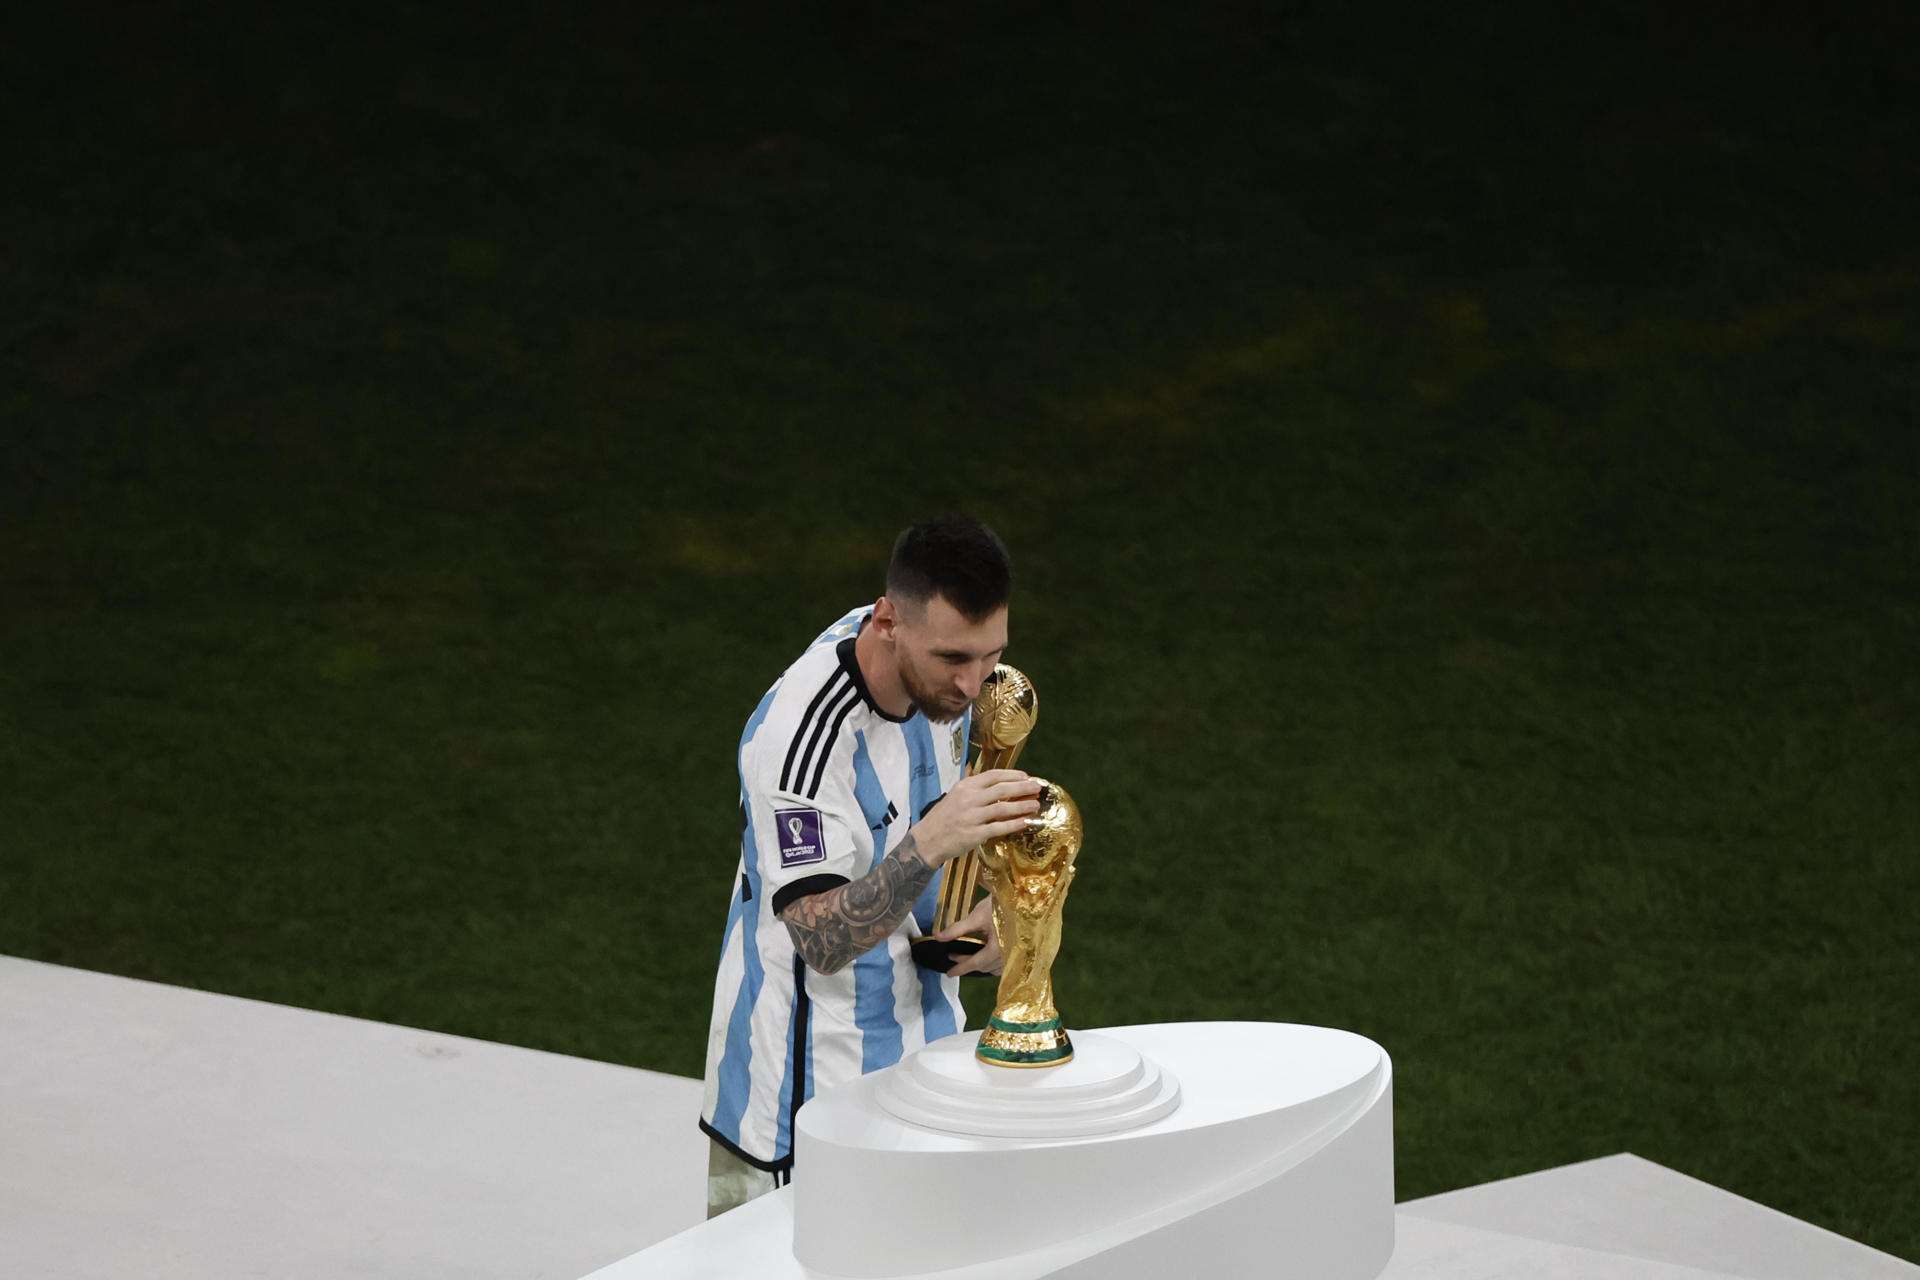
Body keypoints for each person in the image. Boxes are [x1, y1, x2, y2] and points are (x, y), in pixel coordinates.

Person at [698, 514, 1042, 1218]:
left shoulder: (941, 678)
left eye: (991, 654)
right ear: (888, 622)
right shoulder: (800, 742)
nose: (977, 685)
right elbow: (819, 940)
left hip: (928, 1064)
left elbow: (943, 857)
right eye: (955, 659)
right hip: (805, 1106)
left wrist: (987, 927)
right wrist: (929, 842)